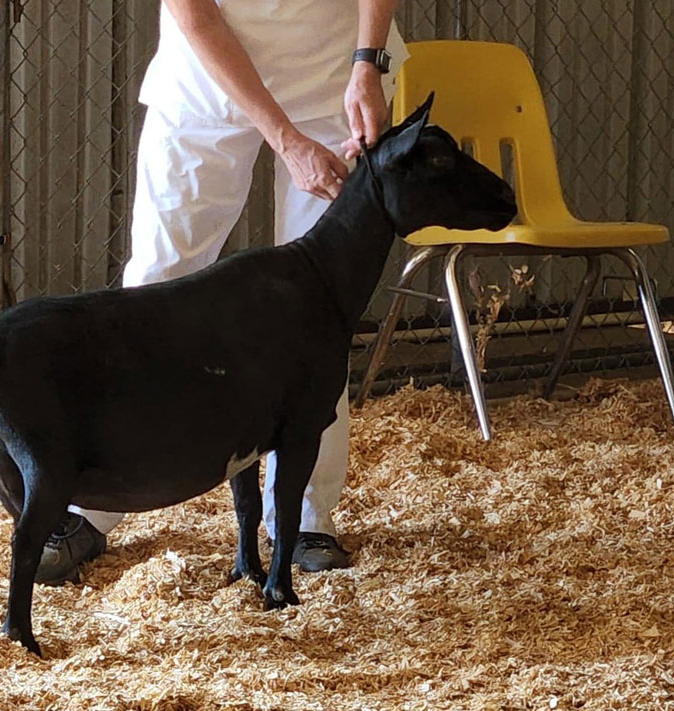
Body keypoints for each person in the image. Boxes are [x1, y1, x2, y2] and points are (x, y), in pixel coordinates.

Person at [36, 0, 407, 585]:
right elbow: (198, 16)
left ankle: (307, 517)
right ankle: (97, 505)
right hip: (206, 84)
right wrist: (284, 138)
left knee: (322, 306)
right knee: (155, 282)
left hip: (333, 73)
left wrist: (369, 62)